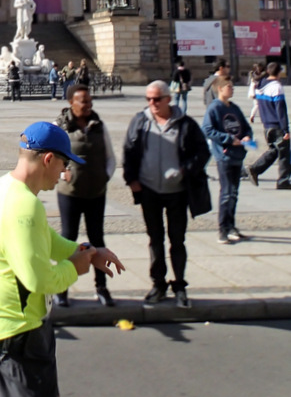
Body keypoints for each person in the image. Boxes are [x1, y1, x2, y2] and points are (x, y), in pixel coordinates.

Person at [0, 121, 124, 397]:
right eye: (64, 164)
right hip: (16, 334)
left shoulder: (5, 186)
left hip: (17, 329)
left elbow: (47, 241)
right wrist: (74, 269)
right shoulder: (24, 206)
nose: (65, 173)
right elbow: (38, 280)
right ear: (48, 159)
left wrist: (88, 250)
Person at [123, 80, 211, 308]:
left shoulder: (186, 124)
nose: (152, 103)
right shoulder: (140, 121)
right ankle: (158, 283)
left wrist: (185, 170)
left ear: (168, 99)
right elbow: (129, 150)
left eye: (157, 99)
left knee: (177, 239)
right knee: (155, 239)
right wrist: (131, 179)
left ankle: (179, 284)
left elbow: (202, 152)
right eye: (148, 99)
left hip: (177, 192)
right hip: (149, 189)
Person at [54, 85, 117, 307]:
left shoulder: (99, 126)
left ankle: (101, 287)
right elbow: (50, 157)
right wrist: (63, 174)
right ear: (71, 102)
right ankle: (61, 289)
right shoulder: (60, 127)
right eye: (83, 101)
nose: (88, 105)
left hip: (96, 193)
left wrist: (104, 177)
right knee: (68, 240)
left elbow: (110, 157)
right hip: (70, 193)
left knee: (97, 240)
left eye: (89, 101)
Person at [203, 76, 252, 243]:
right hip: (224, 155)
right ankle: (222, 229)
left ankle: (231, 226)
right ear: (220, 89)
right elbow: (208, 130)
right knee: (226, 193)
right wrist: (229, 139)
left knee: (234, 193)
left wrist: (246, 137)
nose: (232, 89)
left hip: (237, 155)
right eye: (229, 86)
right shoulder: (214, 108)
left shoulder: (234, 108)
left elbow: (246, 127)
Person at [245, 62, 290, 189]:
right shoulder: (276, 87)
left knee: (274, 151)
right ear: (278, 72)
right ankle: (283, 181)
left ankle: (254, 169)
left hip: (267, 125)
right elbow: (280, 110)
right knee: (284, 154)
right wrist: (286, 129)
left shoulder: (261, 84)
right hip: (277, 125)